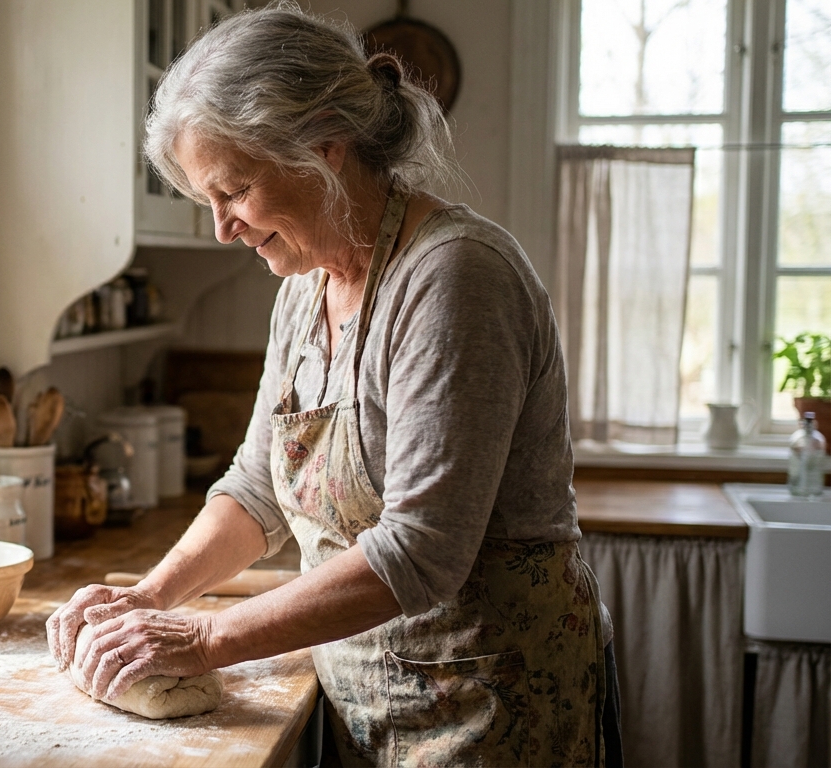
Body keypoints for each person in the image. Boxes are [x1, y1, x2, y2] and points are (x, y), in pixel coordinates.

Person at [47, 6, 620, 765]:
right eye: (204, 201)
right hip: (369, 701)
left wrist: (206, 637)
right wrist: (152, 598)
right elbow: (256, 487)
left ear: (325, 145)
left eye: (236, 190)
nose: (222, 227)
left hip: (496, 708)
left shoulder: (455, 279)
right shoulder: (303, 286)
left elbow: (422, 550)